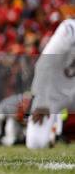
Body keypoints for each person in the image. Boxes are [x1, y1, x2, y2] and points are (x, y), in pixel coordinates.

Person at [26, 18, 74, 149]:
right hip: (54, 90)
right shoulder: (70, 30)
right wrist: (42, 99)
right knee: (36, 143)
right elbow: (44, 64)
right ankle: (53, 130)